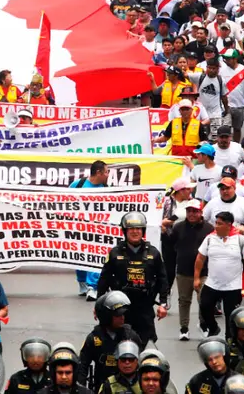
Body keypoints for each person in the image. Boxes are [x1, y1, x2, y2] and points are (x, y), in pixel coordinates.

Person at [95, 213, 169, 345]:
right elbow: (104, 279)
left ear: (143, 231)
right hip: (120, 307)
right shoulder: (115, 253)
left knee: (145, 344)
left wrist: (163, 304)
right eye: (131, 229)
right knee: (118, 344)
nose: (135, 232)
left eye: (138, 228)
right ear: (125, 231)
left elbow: (162, 279)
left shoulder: (154, 253)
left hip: (145, 307)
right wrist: (98, 304)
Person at [195, 211, 244, 337]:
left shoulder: (240, 240)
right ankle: (213, 328)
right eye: (216, 223)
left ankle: (230, 340)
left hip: (233, 286)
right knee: (204, 306)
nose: (216, 226)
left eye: (219, 224)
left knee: (231, 316)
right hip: (212, 283)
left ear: (229, 225)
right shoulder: (209, 239)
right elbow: (200, 258)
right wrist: (196, 278)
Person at [79, 292, 142, 393]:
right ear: (106, 316)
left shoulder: (131, 336)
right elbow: (82, 367)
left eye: (123, 314)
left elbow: (142, 362)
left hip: (128, 387)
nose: (122, 317)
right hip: (103, 388)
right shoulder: (94, 338)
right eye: (118, 315)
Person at [168, 199, 213, 341]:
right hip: (183, 271)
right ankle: (184, 328)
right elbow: (170, 244)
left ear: (201, 212)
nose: (191, 214)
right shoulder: (178, 227)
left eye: (195, 211)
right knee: (184, 301)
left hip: (204, 272)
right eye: (189, 211)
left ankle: (203, 324)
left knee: (204, 300)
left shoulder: (209, 229)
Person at [70, 159, 107, 298]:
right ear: (98, 172)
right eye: (106, 172)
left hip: (97, 229)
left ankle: (93, 287)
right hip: (78, 228)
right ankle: (82, 283)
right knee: (80, 257)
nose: (108, 175)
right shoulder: (78, 185)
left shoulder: (106, 188)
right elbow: (64, 201)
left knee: (94, 256)